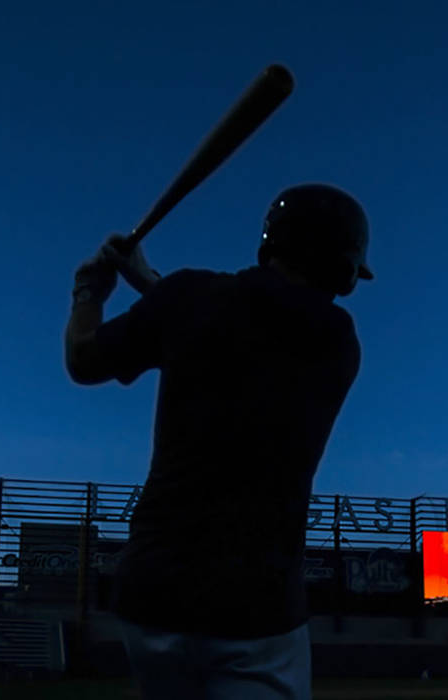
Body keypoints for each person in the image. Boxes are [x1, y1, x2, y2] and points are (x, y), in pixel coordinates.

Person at [65, 184, 373, 699]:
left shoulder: (189, 299)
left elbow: (83, 359)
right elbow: (232, 324)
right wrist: (153, 286)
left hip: (151, 596)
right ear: (344, 270)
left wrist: (88, 295)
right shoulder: (338, 342)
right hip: (255, 612)